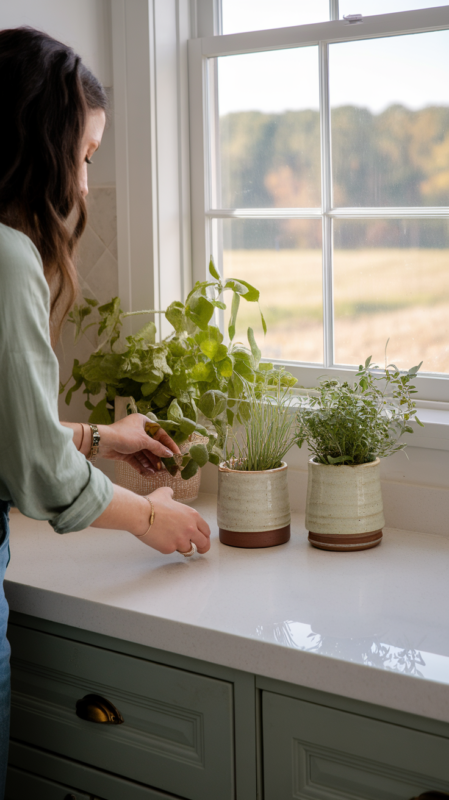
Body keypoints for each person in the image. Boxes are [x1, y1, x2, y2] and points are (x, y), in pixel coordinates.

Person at [0, 27, 211, 797]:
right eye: (82, 158)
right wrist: (154, 520)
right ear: (35, 142)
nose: (85, 185)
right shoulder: (5, 256)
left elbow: (9, 431)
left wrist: (96, 434)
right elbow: (43, 479)